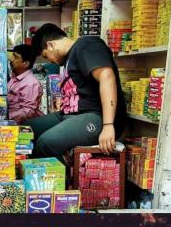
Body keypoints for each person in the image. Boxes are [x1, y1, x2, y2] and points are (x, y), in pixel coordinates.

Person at [25, 23, 127, 162]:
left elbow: (107, 77)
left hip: (95, 116)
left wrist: (108, 126)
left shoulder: (87, 45)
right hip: (70, 115)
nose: (50, 61)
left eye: (46, 56)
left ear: (50, 45)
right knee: (24, 130)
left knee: (46, 143)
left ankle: (62, 181)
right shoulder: (69, 59)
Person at [7, 44, 44, 124]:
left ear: (25, 63)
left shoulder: (30, 83)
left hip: (24, 125)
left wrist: (7, 117)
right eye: (12, 56)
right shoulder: (14, 77)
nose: (12, 60)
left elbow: (28, 111)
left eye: (16, 57)